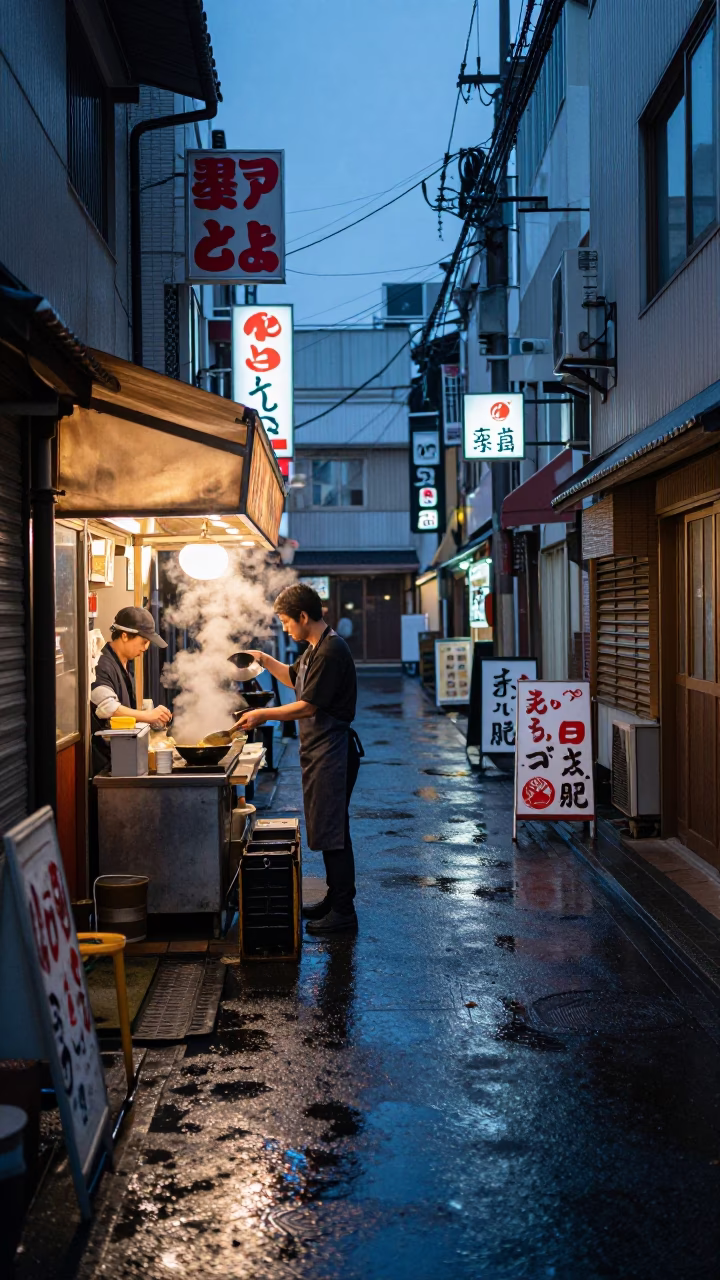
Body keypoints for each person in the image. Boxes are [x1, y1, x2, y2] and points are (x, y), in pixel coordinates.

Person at [238, 583, 363, 934]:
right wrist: (262, 660)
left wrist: (264, 715)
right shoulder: (314, 649)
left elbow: (307, 706)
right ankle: (334, 898)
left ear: (303, 616)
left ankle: (344, 912)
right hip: (320, 752)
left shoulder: (331, 651)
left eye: (285, 621)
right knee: (326, 827)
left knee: (333, 830)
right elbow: (293, 679)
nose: (284, 628)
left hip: (333, 751)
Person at [90, 606, 172, 775]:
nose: (146, 648)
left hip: (121, 759)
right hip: (104, 763)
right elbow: (107, 707)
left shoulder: (126, 663)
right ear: (125, 636)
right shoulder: (102, 665)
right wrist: (147, 716)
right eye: (143, 641)